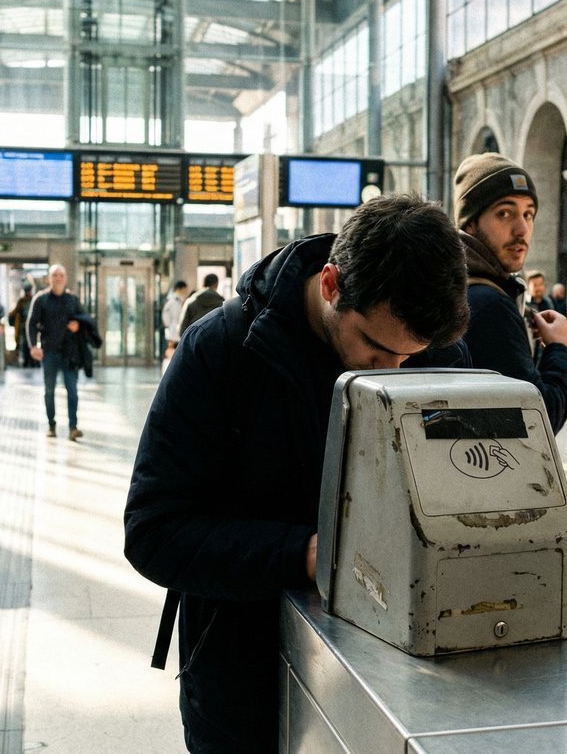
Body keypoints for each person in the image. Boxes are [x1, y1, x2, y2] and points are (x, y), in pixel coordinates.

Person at [124, 194, 471, 753]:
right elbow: (153, 532)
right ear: (331, 284)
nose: (393, 372)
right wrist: (305, 554)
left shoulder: (430, 352)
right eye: (377, 350)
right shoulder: (222, 351)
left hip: (391, 675)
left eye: (412, 357)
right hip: (242, 682)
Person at [452, 152, 567, 434]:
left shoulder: (453, 285)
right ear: (470, 223)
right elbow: (538, 419)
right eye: (504, 213)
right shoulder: (490, 304)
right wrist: (561, 349)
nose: (522, 229)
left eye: (528, 214)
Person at [27, 264, 86, 441]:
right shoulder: (41, 299)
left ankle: (73, 427)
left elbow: (85, 319)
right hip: (49, 353)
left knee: (72, 391)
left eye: (61, 275)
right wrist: (33, 346)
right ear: (49, 279)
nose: (58, 278)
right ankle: (51, 425)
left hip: (69, 354)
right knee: (49, 390)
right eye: (55, 275)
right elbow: (31, 324)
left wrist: (79, 325)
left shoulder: (72, 300)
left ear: (66, 278)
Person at [9, 283, 36, 367]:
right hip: (25, 326)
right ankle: (30, 361)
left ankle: (31, 361)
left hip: (29, 326)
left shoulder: (31, 300)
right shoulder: (24, 301)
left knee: (29, 344)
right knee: (26, 344)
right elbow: (15, 312)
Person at [162, 280, 189, 359]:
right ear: (179, 289)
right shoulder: (172, 299)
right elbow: (166, 314)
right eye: (185, 289)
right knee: (171, 350)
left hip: (177, 329)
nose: (186, 291)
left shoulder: (180, 299)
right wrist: (169, 325)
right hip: (173, 329)